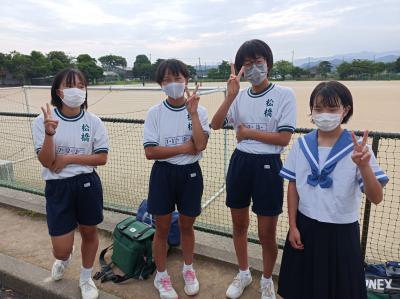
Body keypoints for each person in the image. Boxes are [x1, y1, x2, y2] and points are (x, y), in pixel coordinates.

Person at [277, 81, 389, 299]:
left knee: (340, 290)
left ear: (345, 110)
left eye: (332, 108)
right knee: (302, 288)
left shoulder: (358, 148)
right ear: (311, 111)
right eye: (318, 109)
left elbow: (376, 198)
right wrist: (292, 226)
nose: (324, 114)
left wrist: (364, 166)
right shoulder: (302, 145)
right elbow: (293, 186)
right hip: (305, 226)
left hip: (342, 232)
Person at [211, 39, 297, 299]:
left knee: (266, 232)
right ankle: (244, 272)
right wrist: (231, 96)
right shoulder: (239, 96)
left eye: (258, 62)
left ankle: (267, 279)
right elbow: (215, 124)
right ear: (240, 70)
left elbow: (283, 138)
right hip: (240, 162)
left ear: (268, 64)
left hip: (269, 166)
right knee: (239, 225)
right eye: (247, 64)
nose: (253, 68)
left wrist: (248, 132)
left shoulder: (284, 94)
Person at [32, 68, 109, 299]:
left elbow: (101, 157)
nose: (76, 90)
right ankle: (65, 258)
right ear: (58, 91)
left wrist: (68, 158)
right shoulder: (43, 120)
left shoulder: (93, 121)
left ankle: (85, 279)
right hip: (58, 187)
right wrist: (49, 134)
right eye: (69, 85)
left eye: (81, 85)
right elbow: (46, 162)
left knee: (89, 231)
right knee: (61, 248)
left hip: (87, 183)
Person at [143, 59, 210, 299]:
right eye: (168, 80)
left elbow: (200, 145)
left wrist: (192, 114)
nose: (174, 84)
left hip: (191, 174)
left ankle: (188, 269)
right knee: (160, 228)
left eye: (178, 79)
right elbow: (151, 152)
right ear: (160, 83)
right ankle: (161, 276)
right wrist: (184, 147)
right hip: (163, 173)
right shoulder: (155, 113)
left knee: (186, 225)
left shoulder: (200, 111)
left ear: (187, 81)